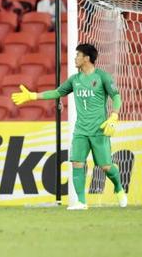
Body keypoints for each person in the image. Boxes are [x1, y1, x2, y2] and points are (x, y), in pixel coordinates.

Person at [11, 43, 128, 210]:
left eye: (78, 55)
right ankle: (81, 202)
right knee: (77, 163)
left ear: (87, 58)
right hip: (81, 130)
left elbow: (116, 96)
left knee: (106, 167)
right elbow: (57, 92)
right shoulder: (75, 80)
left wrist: (114, 115)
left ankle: (118, 188)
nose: (75, 58)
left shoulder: (102, 77)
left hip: (99, 130)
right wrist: (33, 96)